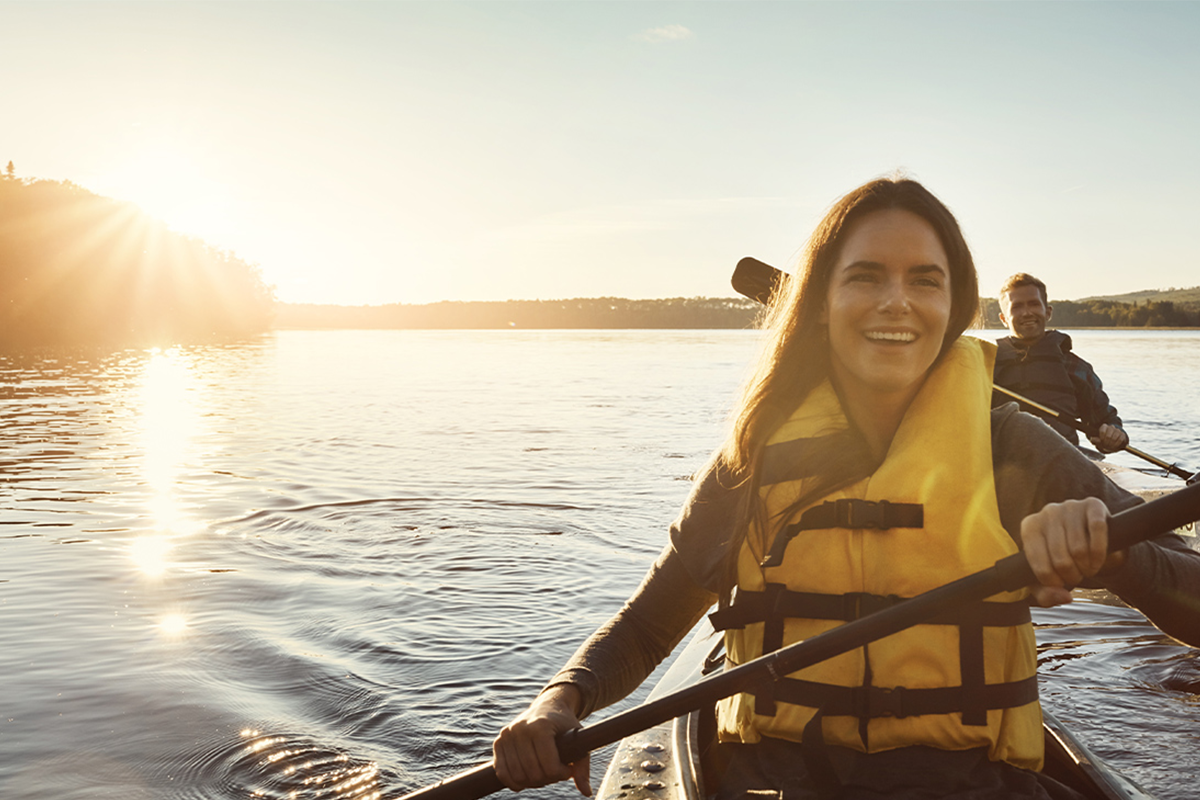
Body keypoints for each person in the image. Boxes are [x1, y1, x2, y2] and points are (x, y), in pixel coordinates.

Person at [492, 178, 1200, 800]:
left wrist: (1116, 560)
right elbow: (650, 624)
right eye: (865, 276)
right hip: (771, 783)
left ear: (953, 307)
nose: (897, 302)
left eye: (926, 280)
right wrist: (560, 702)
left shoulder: (1014, 447)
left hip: (973, 787)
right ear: (821, 302)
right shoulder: (751, 458)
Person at [994, 273, 1129, 454]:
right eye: (1016, 307)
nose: (1026, 312)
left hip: (1061, 462)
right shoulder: (984, 361)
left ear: (1047, 312)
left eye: (1034, 304)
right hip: (1001, 463)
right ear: (1004, 319)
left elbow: (1106, 422)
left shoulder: (1076, 367)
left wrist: (1114, 435)